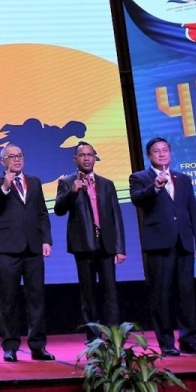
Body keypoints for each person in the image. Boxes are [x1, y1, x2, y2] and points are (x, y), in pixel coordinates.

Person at [129, 137, 196, 356]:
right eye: (156, 151)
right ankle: (166, 342)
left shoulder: (183, 178)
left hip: (184, 242)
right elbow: (137, 199)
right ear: (149, 155)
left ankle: (189, 340)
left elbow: (192, 210)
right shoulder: (140, 177)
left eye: (165, 150)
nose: (162, 154)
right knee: (162, 295)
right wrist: (154, 188)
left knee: (186, 293)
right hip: (158, 243)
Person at [0, 145, 55, 362]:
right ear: (3, 161)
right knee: (9, 300)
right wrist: (5, 187)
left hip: (33, 247)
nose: (16, 160)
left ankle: (37, 346)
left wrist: (46, 239)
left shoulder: (34, 181)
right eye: (11, 157)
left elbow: (42, 212)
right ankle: (10, 346)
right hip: (8, 249)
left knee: (36, 298)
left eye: (20, 155)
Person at [53, 142, 126, 342]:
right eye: (82, 155)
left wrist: (120, 247)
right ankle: (93, 337)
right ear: (75, 159)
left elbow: (116, 216)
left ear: (95, 158)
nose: (86, 158)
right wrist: (72, 192)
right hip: (83, 245)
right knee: (89, 295)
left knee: (110, 292)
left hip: (106, 245)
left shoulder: (107, 183)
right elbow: (59, 210)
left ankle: (114, 336)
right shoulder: (67, 182)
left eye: (90, 154)